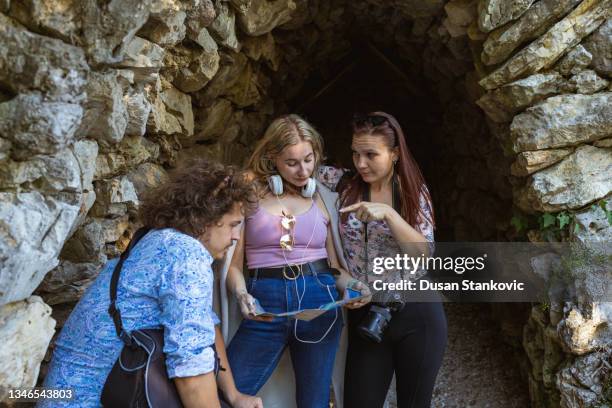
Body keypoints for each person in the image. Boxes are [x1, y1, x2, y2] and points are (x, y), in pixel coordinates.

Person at [40, 160, 263, 408]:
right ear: (205, 218)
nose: (236, 237)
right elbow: (191, 368)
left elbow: (204, 327)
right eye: (233, 225)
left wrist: (233, 395)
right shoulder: (185, 253)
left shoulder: (153, 238)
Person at [223, 114, 370, 408]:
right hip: (264, 305)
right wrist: (242, 295)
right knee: (228, 394)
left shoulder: (322, 198)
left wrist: (355, 285)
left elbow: (333, 267)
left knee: (314, 402)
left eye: (308, 159)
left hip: (320, 302)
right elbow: (233, 267)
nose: (303, 171)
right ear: (272, 159)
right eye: (291, 163)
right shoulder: (249, 197)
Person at [317, 112, 447, 408]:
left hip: (416, 312)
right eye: (355, 153)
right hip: (367, 312)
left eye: (371, 154)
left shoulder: (414, 193)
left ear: (395, 154)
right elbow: (298, 167)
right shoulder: (343, 184)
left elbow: (424, 255)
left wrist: (388, 214)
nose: (360, 163)